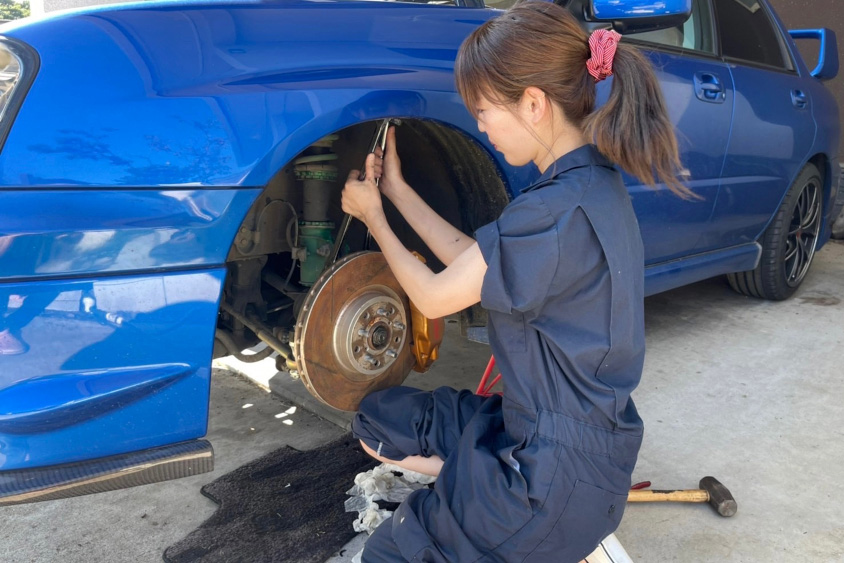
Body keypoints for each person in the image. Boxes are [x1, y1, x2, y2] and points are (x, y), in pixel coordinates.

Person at [341, 2, 694, 561]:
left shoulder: (553, 210)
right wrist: (397, 192)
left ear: (533, 102)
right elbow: (471, 264)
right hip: (556, 438)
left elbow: (435, 295)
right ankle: (469, 492)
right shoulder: (587, 185)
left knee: (388, 553)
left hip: (548, 483)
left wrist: (373, 218)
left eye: (482, 111)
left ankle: (486, 515)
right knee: (380, 419)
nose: (479, 125)